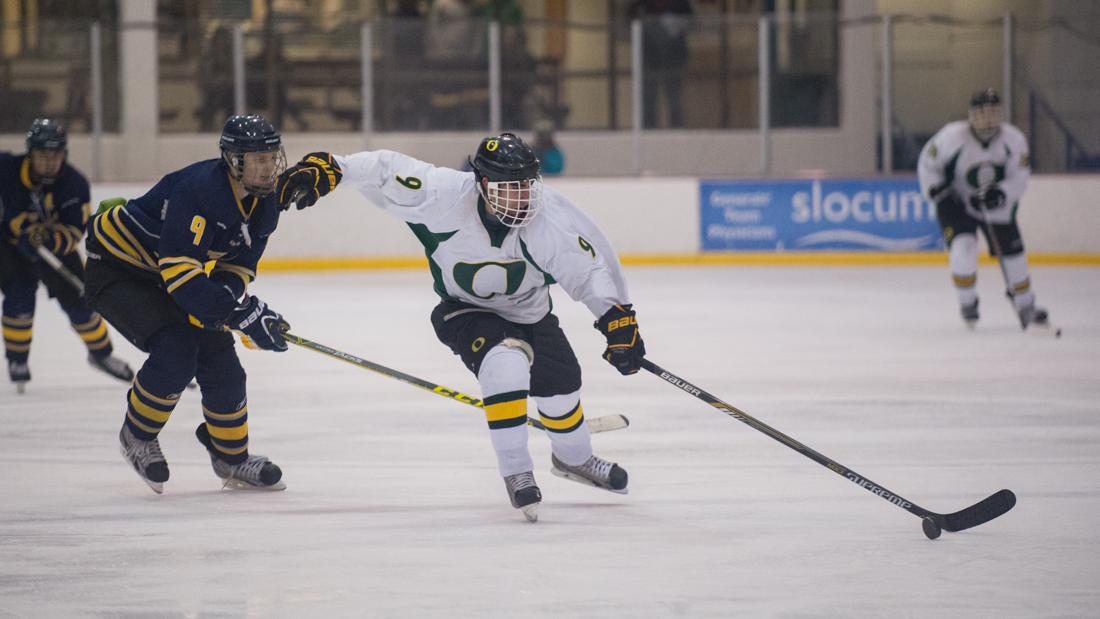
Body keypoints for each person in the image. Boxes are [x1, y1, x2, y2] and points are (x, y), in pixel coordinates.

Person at [278, 133, 645, 522]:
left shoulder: (546, 219)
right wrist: (332, 168)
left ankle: (575, 459)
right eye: (510, 187)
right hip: (464, 311)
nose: (522, 197)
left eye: (527, 185)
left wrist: (616, 321)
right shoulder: (443, 196)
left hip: (531, 313)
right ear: (483, 184)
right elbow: (386, 168)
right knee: (506, 365)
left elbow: (587, 273)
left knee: (562, 388)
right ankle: (517, 470)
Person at [83, 114, 291, 494]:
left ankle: (231, 457)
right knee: (176, 350)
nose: (266, 168)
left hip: (170, 275)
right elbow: (179, 273)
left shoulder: (266, 201)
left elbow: (238, 265)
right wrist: (234, 314)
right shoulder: (201, 190)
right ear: (232, 161)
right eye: (255, 159)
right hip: (118, 270)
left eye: (270, 157)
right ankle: (137, 436)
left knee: (222, 362)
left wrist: (233, 308)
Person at [0, 118, 133, 393]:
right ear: (30, 154)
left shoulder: (74, 185)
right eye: (42, 155)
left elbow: (74, 230)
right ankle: (17, 362)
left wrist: (45, 239)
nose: (49, 162)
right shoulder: (7, 169)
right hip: (8, 247)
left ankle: (101, 353)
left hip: (53, 250)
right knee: (19, 295)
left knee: (82, 301)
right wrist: (22, 230)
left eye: (55, 155)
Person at [918, 88, 1050, 330]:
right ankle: (967, 302)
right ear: (971, 115)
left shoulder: (1014, 140)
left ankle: (1025, 304)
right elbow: (928, 163)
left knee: (1014, 257)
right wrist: (937, 191)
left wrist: (1001, 194)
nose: (987, 119)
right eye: (981, 113)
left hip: (997, 207)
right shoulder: (951, 136)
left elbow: (1020, 177)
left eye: (992, 112)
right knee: (963, 250)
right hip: (957, 203)